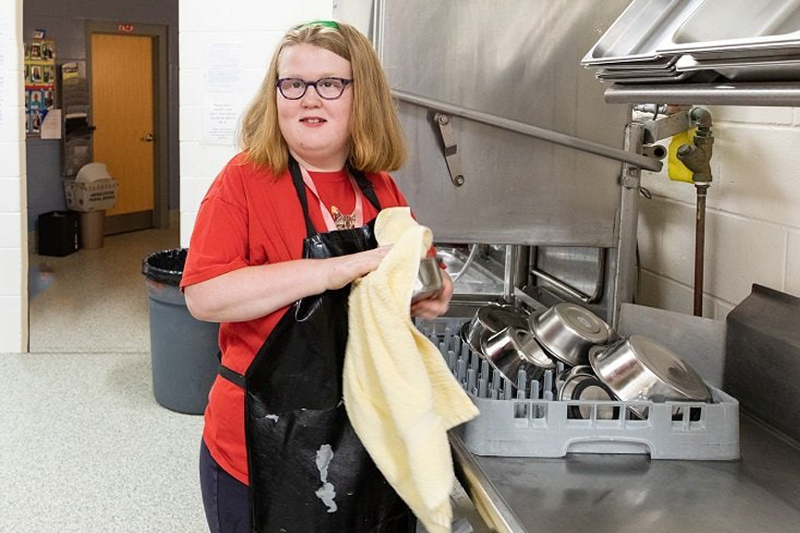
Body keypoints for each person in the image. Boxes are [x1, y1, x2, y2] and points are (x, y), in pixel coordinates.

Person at [181, 20, 453, 533]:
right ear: (276, 94)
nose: (309, 99)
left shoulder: (379, 188)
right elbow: (205, 296)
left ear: (361, 96)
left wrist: (428, 289)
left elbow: (417, 269)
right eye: (293, 84)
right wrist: (336, 269)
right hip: (260, 446)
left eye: (330, 84)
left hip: (364, 442)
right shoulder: (243, 181)